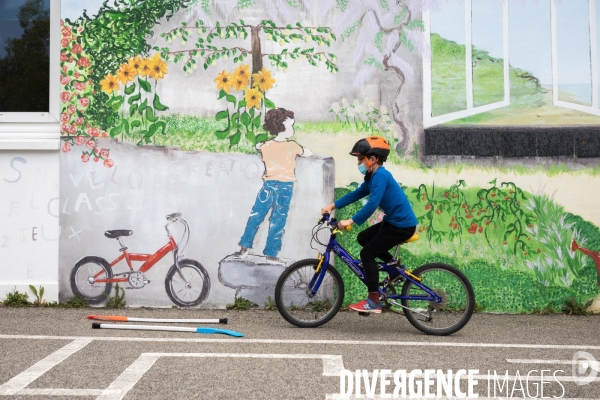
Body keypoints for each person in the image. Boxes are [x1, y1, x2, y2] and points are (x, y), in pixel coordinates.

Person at [321, 136, 417, 313]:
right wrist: (332, 206)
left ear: (373, 159)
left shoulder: (381, 176)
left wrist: (351, 220)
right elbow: (356, 194)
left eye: (360, 159)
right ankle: (395, 269)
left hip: (401, 226)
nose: (358, 162)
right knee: (363, 238)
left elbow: (373, 203)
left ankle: (373, 301)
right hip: (393, 222)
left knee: (367, 254)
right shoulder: (372, 176)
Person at [232, 108, 312, 263]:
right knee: (278, 221)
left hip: (268, 186)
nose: (293, 130)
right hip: (285, 187)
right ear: (282, 126)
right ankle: (271, 254)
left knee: (256, 216)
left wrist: (260, 145)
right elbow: (307, 152)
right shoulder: (293, 146)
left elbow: (258, 146)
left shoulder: (266, 146)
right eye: (291, 126)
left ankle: (244, 248)